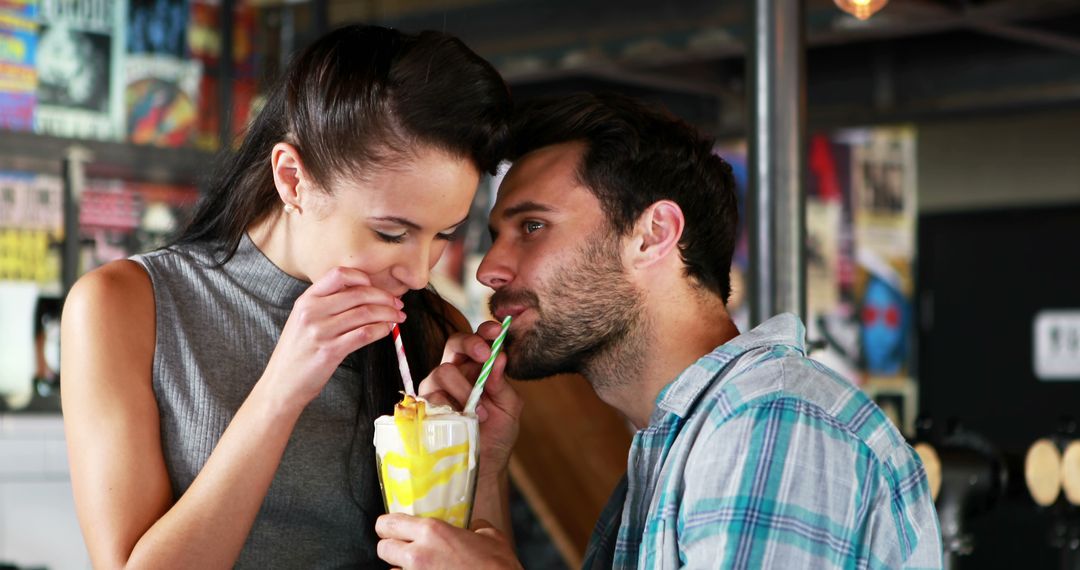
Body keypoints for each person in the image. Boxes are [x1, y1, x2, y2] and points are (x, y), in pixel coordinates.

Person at [375, 93, 943, 569]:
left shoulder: (769, 421)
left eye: (532, 226)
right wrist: (487, 465)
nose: (488, 269)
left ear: (653, 234)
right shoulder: (675, 446)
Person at [60, 25, 515, 569]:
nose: (419, 275)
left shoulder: (433, 328)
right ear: (292, 179)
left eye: (443, 234)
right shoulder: (125, 307)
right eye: (391, 234)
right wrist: (282, 388)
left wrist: (481, 463)